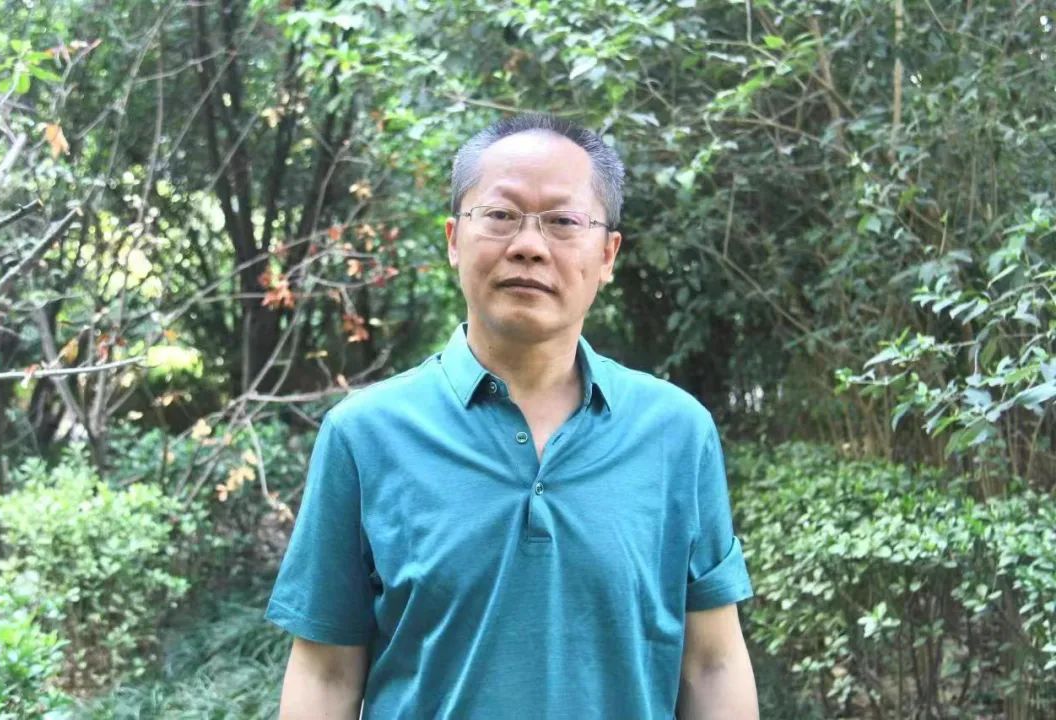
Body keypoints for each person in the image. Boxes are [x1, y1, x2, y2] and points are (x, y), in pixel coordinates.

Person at [266, 113, 759, 719]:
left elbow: (712, 663)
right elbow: (326, 673)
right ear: (454, 239)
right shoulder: (365, 434)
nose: (529, 245)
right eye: (500, 215)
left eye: (563, 221)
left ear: (608, 254)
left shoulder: (676, 432)